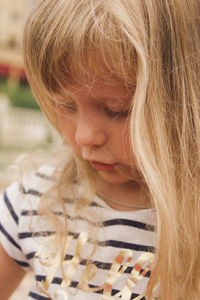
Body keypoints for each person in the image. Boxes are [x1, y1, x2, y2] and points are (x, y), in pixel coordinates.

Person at [0, 0, 200, 299]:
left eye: (116, 110)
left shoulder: (190, 229)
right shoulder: (33, 202)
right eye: (66, 105)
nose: (83, 136)